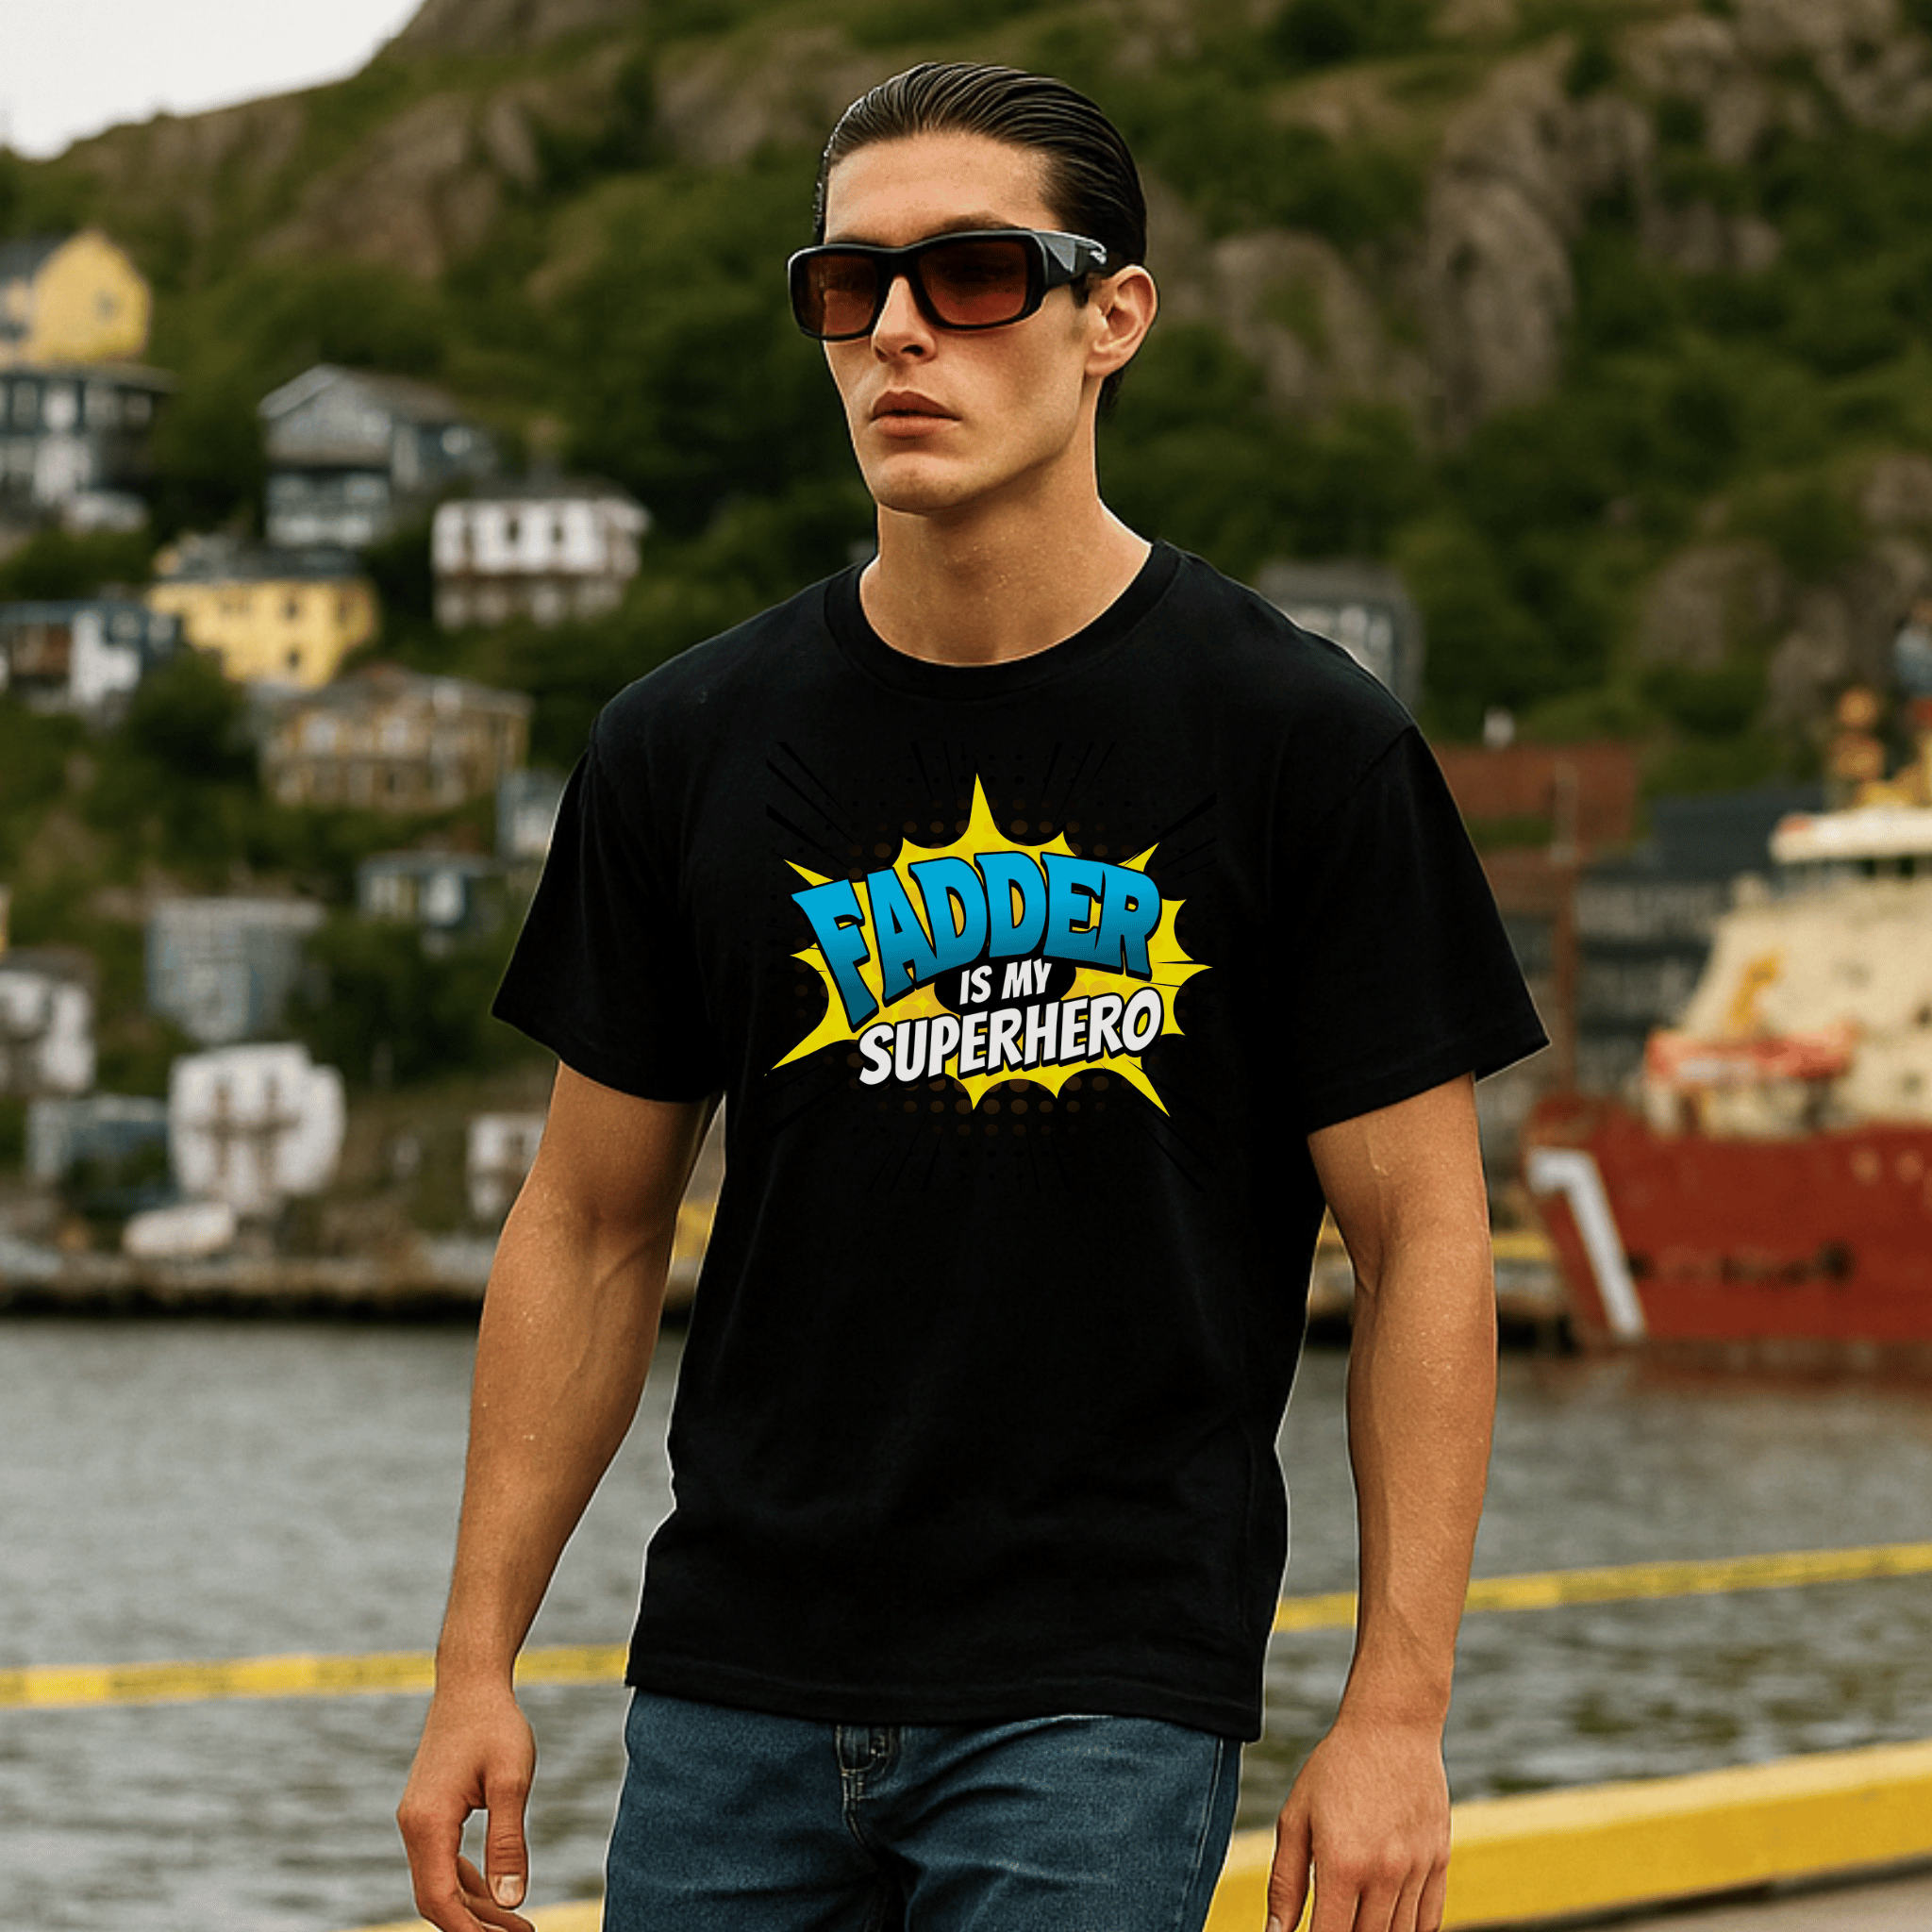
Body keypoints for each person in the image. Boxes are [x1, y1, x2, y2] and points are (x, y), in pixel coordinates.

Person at [397, 59, 1545, 1932]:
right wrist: (472, 1665)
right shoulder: (681, 749)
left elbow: (1423, 1239)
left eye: (975, 277)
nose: (899, 335)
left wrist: (1396, 1712)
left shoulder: (1297, 742)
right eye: (847, 290)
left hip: (1097, 1692)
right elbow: (591, 1226)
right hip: (730, 1686)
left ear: (1114, 318)